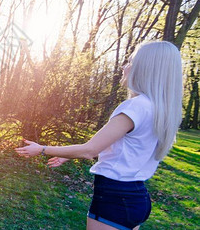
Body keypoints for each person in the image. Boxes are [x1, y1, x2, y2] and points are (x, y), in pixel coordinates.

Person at [15, 41, 183, 230]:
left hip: (114, 199)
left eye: (130, 61)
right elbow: (121, 150)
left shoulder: (135, 107)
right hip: (137, 198)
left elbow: (90, 149)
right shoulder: (161, 109)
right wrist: (66, 155)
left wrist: (42, 149)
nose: (124, 67)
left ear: (144, 69)